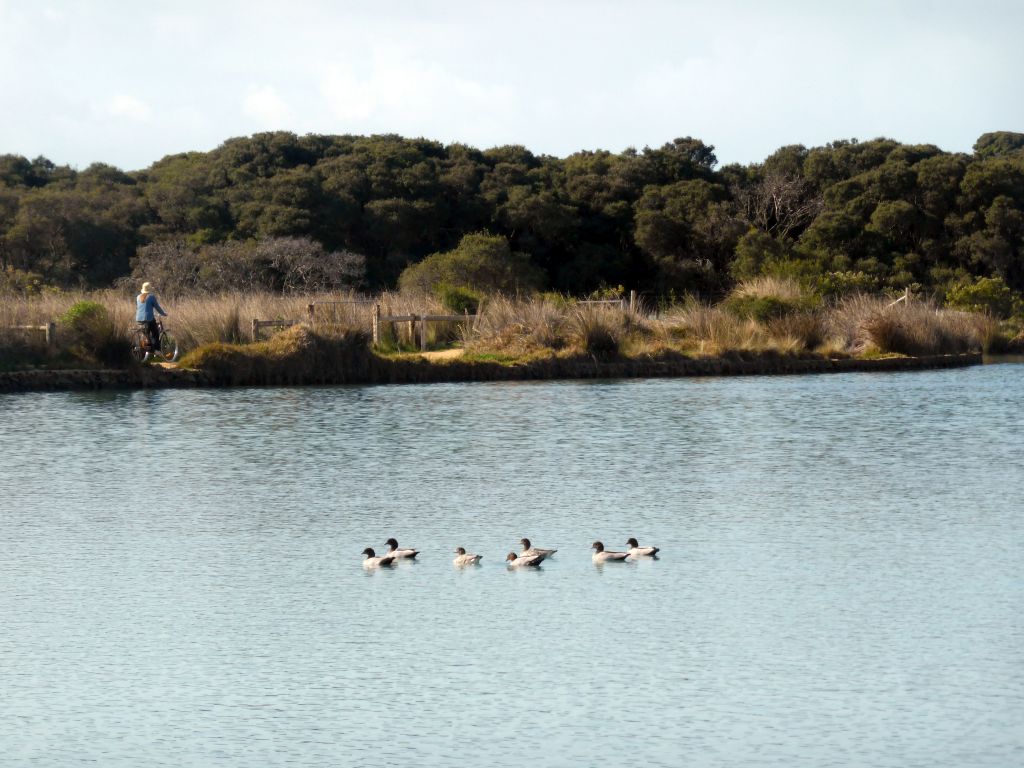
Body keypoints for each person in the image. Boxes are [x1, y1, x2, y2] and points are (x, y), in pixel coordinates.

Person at [135, 281, 168, 349]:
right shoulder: (151, 297)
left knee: (147, 332)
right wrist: (163, 313)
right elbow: (157, 307)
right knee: (155, 333)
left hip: (138, 319)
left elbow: (142, 307)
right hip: (148, 319)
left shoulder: (138, 297)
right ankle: (156, 349)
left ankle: (148, 344)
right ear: (149, 290)